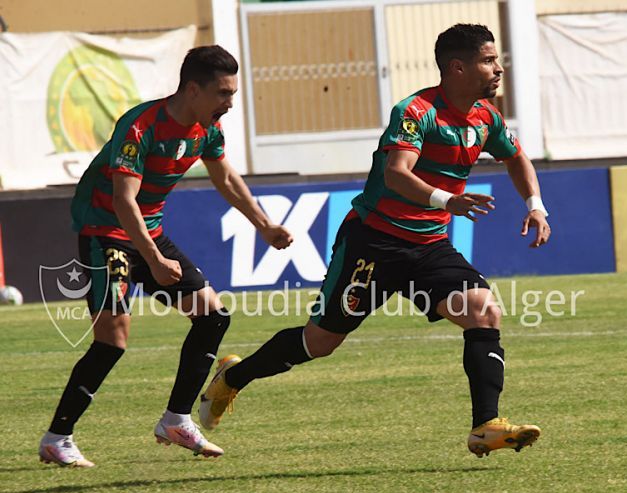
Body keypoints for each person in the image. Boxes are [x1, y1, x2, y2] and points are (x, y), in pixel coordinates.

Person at [199, 24, 551, 459]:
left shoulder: (486, 117)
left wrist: (535, 204)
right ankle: (234, 378)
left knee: (483, 311)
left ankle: (486, 425)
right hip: (373, 244)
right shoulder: (416, 111)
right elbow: (396, 174)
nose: (498, 68)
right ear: (457, 67)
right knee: (319, 343)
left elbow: (515, 155)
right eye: (488, 61)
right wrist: (448, 199)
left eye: (496, 60)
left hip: (428, 246)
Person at [38, 45, 293, 467]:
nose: (230, 103)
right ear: (193, 90)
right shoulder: (141, 126)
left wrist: (263, 224)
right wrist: (153, 259)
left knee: (213, 315)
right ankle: (57, 438)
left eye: (233, 93)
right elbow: (123, 200)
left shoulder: (207, 128)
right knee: (113, 339)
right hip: (106, 233)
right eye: (223, 93)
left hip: (148, 233)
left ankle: (176, 420)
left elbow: (225, 176)